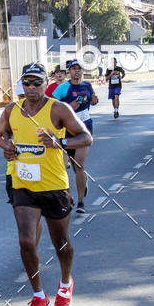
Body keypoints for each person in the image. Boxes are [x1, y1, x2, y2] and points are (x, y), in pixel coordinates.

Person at [0, 62, 92, 306]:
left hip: (54, 185)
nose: (32, 87)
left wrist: (59, 142)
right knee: (26, 240)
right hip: (23, 184)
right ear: (22, 84)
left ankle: (64, 283)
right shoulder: (11, 110)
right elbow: (0, 136)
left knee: (60, 241)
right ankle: (38, 295)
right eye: (27, 82)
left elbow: (85, 137)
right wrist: (8, 147)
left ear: (45, 83)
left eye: (37, 82)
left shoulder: (59, 109)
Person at [52, 59, 98, 213]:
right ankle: (81, 182)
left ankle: (81, 203)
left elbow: (93, 98)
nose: (76, 71)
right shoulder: (63, 88)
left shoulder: (87, 85)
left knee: (79, 164)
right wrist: (68, 108)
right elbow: (51, 107)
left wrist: (94, 99)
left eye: (79, 69)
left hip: (84, 128)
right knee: (67, 166)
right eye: (73, 69)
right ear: (69, 71)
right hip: (66, 130)